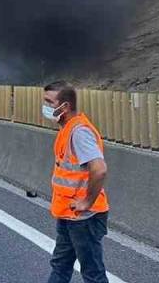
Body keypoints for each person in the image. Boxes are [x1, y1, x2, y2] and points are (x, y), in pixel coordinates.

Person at [43, 81, 110, 283]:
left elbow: (99, 169)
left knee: (92, 273)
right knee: (60, 265)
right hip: (68, 213)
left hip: (84, 217)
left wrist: (87, 202)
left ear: (65, 106)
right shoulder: (68, 129)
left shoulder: (79, 132)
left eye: (49, 102)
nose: (44, 106)